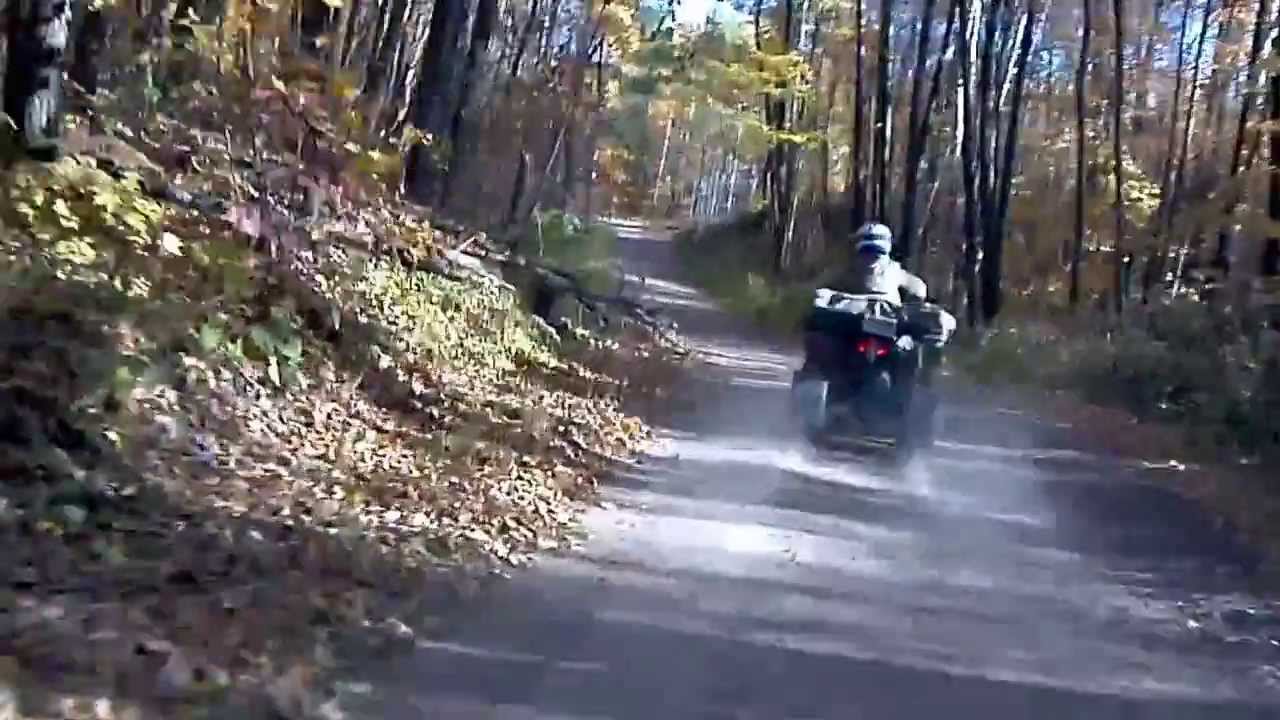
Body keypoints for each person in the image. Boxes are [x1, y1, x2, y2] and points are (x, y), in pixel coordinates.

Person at [827, 222, 928, 304]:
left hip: (852, 313)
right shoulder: (895, 270)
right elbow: (919, 291)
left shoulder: (845, 269)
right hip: (884, 316)